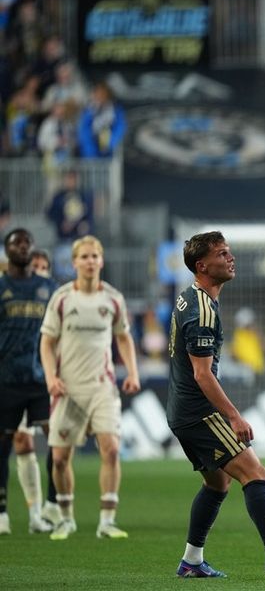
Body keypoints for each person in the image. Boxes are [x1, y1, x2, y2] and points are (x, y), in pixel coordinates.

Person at [167, 231, 265, 579]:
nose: (230, 258)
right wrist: (233, 416)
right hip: (199, 413)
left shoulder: (190, 297)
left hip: (180, 410)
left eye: (229, 251)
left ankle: (191, 562)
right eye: (222, 254)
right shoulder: (202, 311)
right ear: (202, 265)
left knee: (217, 484)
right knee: (255, 473)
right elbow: (203, 375)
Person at [39, 235, 141, 540]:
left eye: (94, 256)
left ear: (102, 260)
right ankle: (66, 518)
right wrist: (50, 378)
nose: (90, 261)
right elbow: (46, 342)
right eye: (84, 256)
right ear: (74, 263)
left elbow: (123, 336)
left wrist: (132, 372)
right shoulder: (61, 299)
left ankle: (107, 520)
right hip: (67, 389)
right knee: (59, 458)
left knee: (110, 449)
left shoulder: (112, 299)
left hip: (102, 387)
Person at [0, 229, 59, 535]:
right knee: (10, 443)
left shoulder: (49, 289)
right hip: (7, 378)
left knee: (56, 441)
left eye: (27, 243)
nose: (22, 247)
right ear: (7, 250)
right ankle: (3, 513)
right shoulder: (2, 288)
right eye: (16, 243)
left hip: (40, 378)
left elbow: (59, 334)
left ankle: (48, 508)